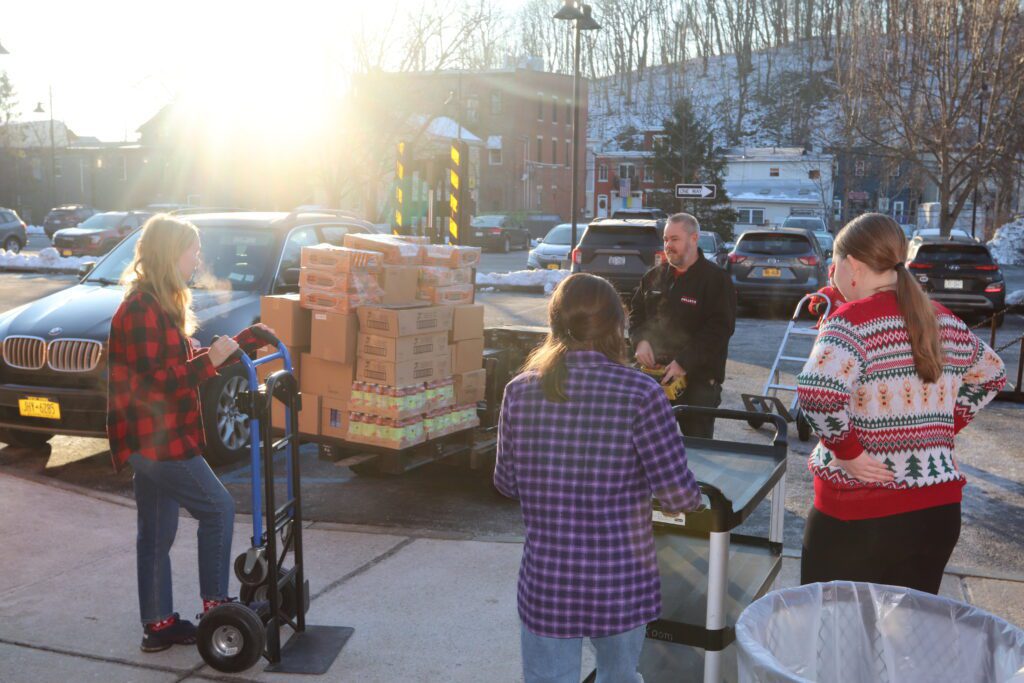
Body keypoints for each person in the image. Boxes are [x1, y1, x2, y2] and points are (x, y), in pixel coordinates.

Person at [495, 273, 703, 683]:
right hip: (621, 583)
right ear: (616, 327)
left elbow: (507, 484)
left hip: (548, 581)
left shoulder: (519, 392)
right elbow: (678, 495)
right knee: (620, 677)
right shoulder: (641, 394)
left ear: (555, 325)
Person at [796, 213, 1006, 594]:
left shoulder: (850, 323)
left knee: (834, 634)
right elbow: (991, 373)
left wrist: (846, 450)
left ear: (853, 266)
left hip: (859, 514)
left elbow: (816, 391)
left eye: (834, 262)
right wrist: (941, 427)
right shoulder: (943, 319)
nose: (831, 273)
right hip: (936, 515)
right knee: (907, 642)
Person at [107, 215, 274, 652]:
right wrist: (209, 362)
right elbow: (160, 381)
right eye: (192, 250)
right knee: (218, 508)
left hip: (156, 438)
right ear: (169, 254)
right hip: (157, 440)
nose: (197, 258)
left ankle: (158, 626)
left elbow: (178, 362)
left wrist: (239, 343)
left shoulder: (158, 304)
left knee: (157, 534)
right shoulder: (141, 309)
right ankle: (218, 608)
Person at [629, 212, 737, 437]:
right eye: (666, 239)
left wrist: (683, 362)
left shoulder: (716, 280)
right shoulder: (653, 277)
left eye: (675, 239)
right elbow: (636, 315)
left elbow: (720, 329)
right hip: (655, 380)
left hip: (699, 382)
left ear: (694, 239)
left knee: (698, 454)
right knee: (651, 448)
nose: (668, 245)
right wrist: (640, 341)